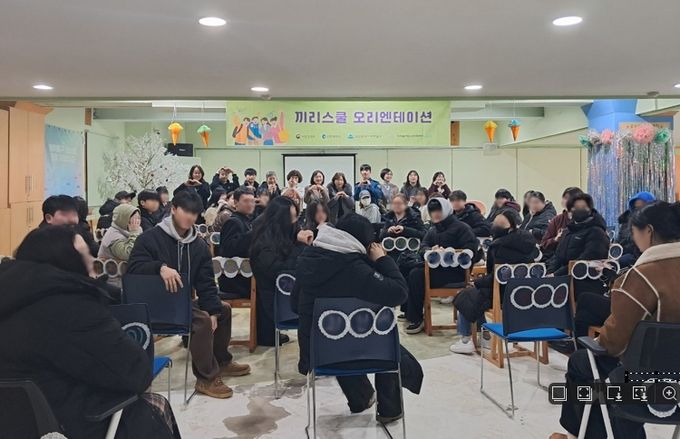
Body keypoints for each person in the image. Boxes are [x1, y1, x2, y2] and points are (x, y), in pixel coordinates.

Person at [0, 226, 181, 438]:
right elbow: (136, 373)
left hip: (15, 424)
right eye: (85, 255)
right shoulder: (73, 309)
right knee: (155, 406)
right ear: (68, 262)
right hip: (66, 425)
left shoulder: (12, 297)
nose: (93, 262)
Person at [552, 201, 680, 439]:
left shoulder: (641, 277)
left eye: (634, 232)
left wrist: (599, 340)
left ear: (648, 231)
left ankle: (585, 434)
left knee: (582, 362)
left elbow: (613, 344)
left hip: (647, 382)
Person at [293, 214, 424, 424]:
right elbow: (400, 293)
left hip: (317, 352)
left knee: (338, 332)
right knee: (383, 338)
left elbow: (294, 306)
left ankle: (361, 397)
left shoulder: (307, 259)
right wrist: (382, 260)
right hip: (366, 351)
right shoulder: (357, 268)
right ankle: (390, 410)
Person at [128, 191, 250, 399]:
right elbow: (133, 268)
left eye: (194, 213)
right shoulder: (150, 238)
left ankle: (221, 361)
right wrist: (159, 268)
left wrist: (213, 311)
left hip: (180, 302)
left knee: (223, 310)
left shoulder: (198, 245)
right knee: (201, 320)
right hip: (154, 304)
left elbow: (206, 282)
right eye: (186, 211)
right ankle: (206, 378)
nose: (190, 217)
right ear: (174, 209)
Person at [450, 211, 539, 354]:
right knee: (475, 295)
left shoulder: (499, 246)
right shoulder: (527, 242)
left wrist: (477, 282)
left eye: (499, 224)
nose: (495, 226)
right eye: (495, 223)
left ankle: (466, 339)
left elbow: (497, 276)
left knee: (465, 295)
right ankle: (485, 336)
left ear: (510, 227)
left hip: (502, 293)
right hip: (525, 293)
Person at [405, 198, 478, 334]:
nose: (436, 214)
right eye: (432, 211)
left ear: (446, 209)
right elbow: (423, 246)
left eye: (439, 210)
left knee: (416, 275)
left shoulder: (462, 228)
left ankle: (416, 318)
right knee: (411, 270)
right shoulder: (433, 230)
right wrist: (430, 250)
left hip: (456, 273)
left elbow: (471, 251)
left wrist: (448, 253)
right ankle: (413, 315)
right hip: (435, 271)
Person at [250, 196, 313, 346]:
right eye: (292, 217)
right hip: (276, 296)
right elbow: (280, 271)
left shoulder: (284, 232)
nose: (295, 221)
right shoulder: (264, 240)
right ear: (281, 218)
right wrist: (300, 245)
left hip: (287, 290)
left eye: (296, 216)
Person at [547, 193, 610, 278]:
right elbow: (557, 257)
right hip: (561, 277)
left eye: (583, 207)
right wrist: (549, 273)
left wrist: (556, 275)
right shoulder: (567, 231)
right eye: (575, 207)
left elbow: (586, 259)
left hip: (583, 278)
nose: (579, 210)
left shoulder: (597, 232)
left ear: (590, 209)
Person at [218, 188, 256, 297]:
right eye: (246, 201)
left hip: (244, 275)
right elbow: (228, 249)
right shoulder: (233, 222)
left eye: (252, 201)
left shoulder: (247, 221)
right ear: (235, 203)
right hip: (236, 279)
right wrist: (252, 234)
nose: (250, 204)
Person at [540, 187, 584, 258]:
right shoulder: (557, 220)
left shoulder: (586, 219)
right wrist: (555, 239)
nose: (565, 201)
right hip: (558, 258)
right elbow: (543, 244)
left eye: (569, 198)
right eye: (564, 198)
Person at [617, 191, 656, 267]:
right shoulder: (626, 224)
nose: (639, 211)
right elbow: (619, 243)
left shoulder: (656, 224)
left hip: (645, 261)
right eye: (636, 208)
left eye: (643, 207)